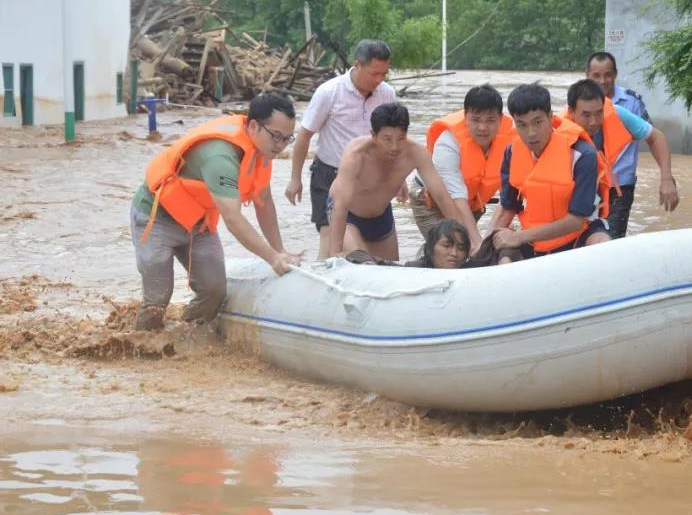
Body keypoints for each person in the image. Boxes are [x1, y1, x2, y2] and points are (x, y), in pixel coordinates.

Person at [130, 93, 302, 331]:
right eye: (276, 137)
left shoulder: (261, 152)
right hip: (157, 217)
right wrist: (272, 259)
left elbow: (263, 200)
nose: (281, 145)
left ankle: (186, 338)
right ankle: (142, 351)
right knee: (158, 297)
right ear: (253, 126)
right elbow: (232, 218)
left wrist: (279, 249)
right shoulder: (221, 155)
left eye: (287, 138)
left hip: (198, 223)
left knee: (214, 290)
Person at [286, 39, 396, 259]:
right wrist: (295, 178)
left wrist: (396, 178)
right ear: (357, 64)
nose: (379, 80)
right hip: (329, 176)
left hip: (371, 179)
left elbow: (394, 140)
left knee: (380, 254)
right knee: (330, 245)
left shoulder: (387, 94)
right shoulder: (329, 92)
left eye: (384, 74)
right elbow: (304, 135)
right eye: (374, 73)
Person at [491, 83, 611, 259]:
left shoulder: (582, 154)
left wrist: (518, 237)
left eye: (537, 122)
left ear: (550, 117)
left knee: (602, 244)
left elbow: (576, 221)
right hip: (533, 239)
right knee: (501, 254)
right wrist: (484, 243)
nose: (531, 133)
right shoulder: (511, 152)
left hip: (579, 235)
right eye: (522, 125)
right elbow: (507, 207)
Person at [327, 102, 459, 261]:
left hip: (381, 216)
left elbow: (442, 196)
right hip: (349, 216)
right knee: (364, 263)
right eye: (387, 139)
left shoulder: (416, 153)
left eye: (400, 138)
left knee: (391, 269)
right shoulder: (356, 154)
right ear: (373, 135)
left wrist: (461, 240)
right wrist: (335, 252)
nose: (394, 147)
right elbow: (341, 204)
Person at [563, 79, 679, 233]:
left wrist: (666, 178)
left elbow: (657, 138)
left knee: (609, 245)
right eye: (586, 115)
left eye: (599, 113)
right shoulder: (557, 130)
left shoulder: (616, 113)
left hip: (613, 191)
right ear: (571, 112)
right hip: (574, 195)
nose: (593, 122)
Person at [409, 84, 516, 249]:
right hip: (430, 201)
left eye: (490, 120)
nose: (483, 127)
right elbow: (456, 197)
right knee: (453, 248)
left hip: (472, 201)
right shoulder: (448, 143)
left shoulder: (512, 141)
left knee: (472, 247)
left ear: (501, 119)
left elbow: (510, 193)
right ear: (466, 117)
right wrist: (477, 244)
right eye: (476, 120)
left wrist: (488, 238)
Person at [585, 52, 657, 238]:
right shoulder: (579, 102)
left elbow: (653, 137)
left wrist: (666, 178)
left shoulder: (631, 103)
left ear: (615, 74)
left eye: (608, 75)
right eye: (596, 76)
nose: (602, 81)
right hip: (587, 184)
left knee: (613, 239)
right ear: (587, 75)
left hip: (620, 185)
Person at [346, 218, 471, 269]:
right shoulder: (415, 269)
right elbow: (359, 255)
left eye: (461, 248)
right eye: (447, 246)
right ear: (431, 248)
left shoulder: (472, 271)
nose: (454, 253)